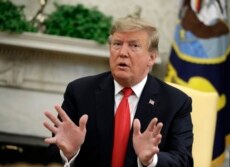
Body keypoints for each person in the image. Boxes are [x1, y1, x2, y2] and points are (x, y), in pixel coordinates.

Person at [43, 16, 193, 167]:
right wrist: (69, 153)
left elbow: (183, 161)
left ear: (151, 58)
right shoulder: (80, 92)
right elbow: (54, 152)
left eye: (134, 46)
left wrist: (151, 160)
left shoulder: (176, 102)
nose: (122, 53)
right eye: (117, 44)